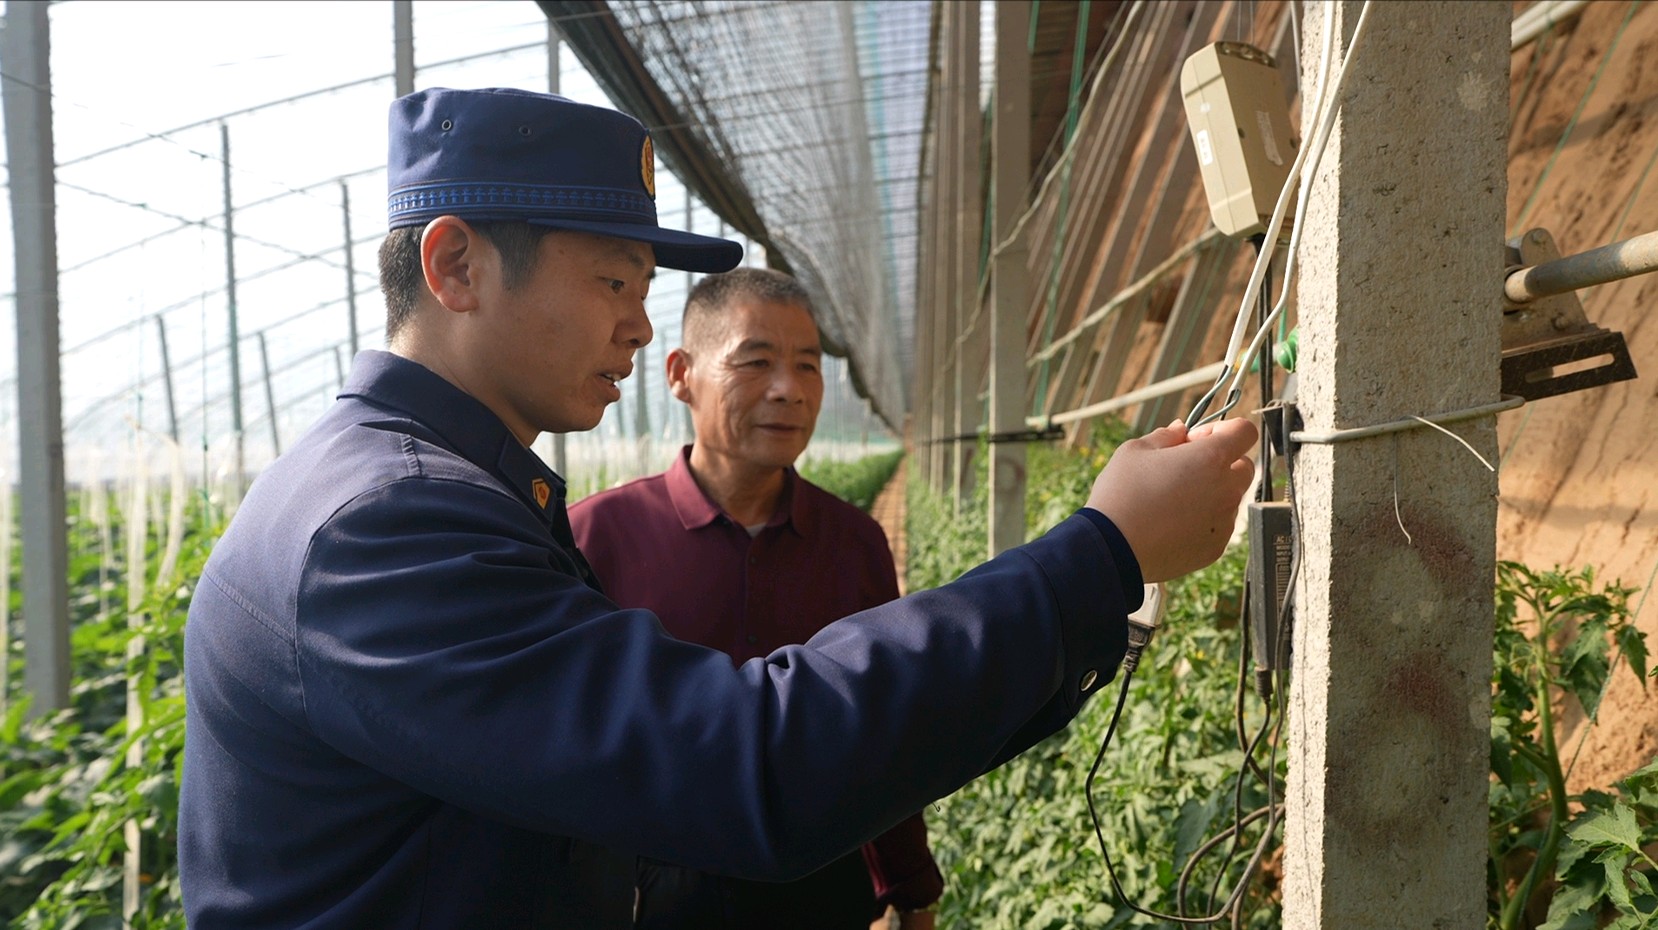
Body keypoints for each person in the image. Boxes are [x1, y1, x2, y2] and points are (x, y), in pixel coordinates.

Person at [178, 86, 1258, 929]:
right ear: (455, 264)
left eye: (644, 290)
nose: (639, 330)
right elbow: (753, 765)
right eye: (613, 282)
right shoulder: (385, 528)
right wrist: (1098, 554)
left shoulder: (440, 489)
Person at [570, 268, 943, 929]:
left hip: (820, 888)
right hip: (647, 900)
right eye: (756, 362)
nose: (790, 391)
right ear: (681, 373)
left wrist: (912, 888)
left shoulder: (853, 544)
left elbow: (884, 732)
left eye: (808, 367)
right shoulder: (598, 537)